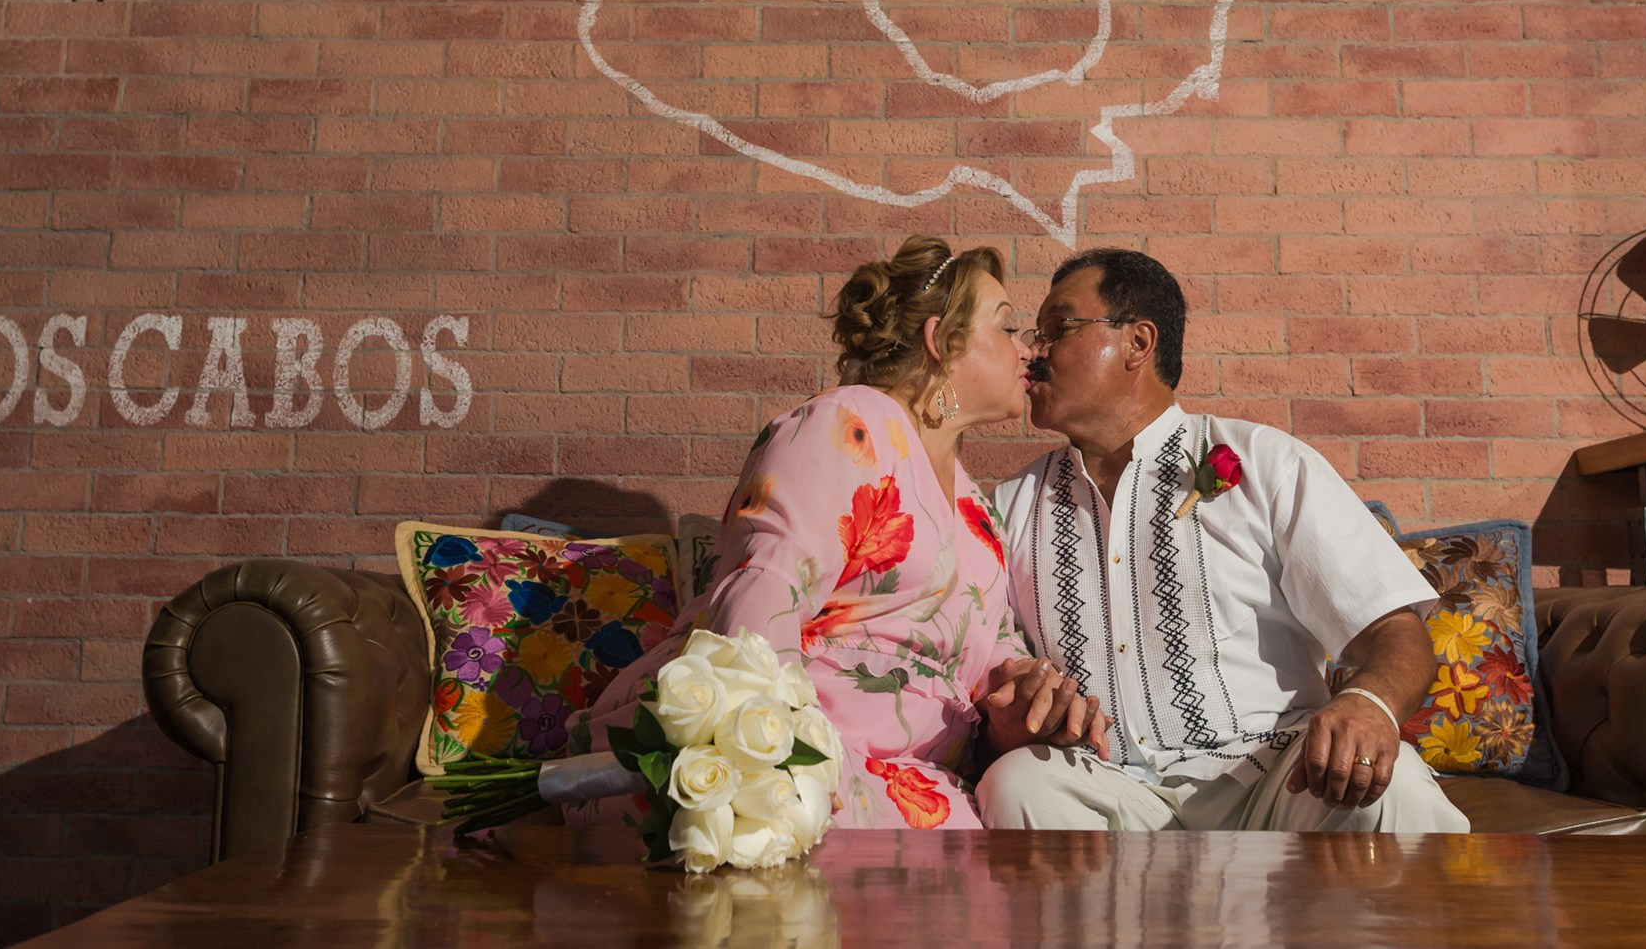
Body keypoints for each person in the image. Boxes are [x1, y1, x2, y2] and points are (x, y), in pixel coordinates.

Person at [565, 235, 1073, 830]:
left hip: (926, 782)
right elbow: (766, 590)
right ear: (941, 341)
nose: (1027, 350)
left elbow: (991, 662)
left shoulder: (974, 505)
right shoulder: (845, 425)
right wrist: (771, 764)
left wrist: (1032, 698)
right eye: (1007, 327)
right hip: (801, 748)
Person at [975, 248, 1468, 833]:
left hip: (1277, 780)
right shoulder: (1009, 506)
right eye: (1036, 334)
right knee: (1015, 784)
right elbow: (989, 677)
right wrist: (1010, 720)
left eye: (1059, 328)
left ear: (1138, 343)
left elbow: (1393, 631)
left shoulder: (1265, 463)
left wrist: (1370, 704)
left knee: (1393, 790)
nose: (1035, 351)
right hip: (1108, 789)